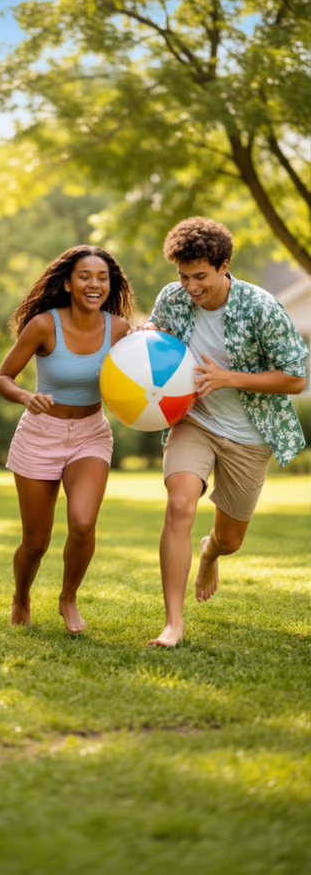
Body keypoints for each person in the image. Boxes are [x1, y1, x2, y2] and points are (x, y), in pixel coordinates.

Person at [145, 217, 308, 647]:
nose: (190, 286)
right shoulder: (172, 298)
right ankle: (173, 624)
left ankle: (209, 552)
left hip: (249, 434)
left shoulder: (261, 307)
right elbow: (156, 345)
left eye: (200, 276)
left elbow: (295, 378)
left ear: (223, 266)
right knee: (180, 504)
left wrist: (227, 377)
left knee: (231, 540)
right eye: (183, 276)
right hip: (194, 422)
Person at [0, 245, 134, 633]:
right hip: (40, 434)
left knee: (84, 523)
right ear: (69, 283)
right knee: (36, 541)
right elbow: (1, 378)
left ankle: (68, 598)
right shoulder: (43, 325)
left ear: (111, 283)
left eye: (102, 277)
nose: (94, 284)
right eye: (85, 276)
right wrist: (27, 396)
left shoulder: (120, 330)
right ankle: (22, 594)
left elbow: (144, 367)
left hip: (90, 434)